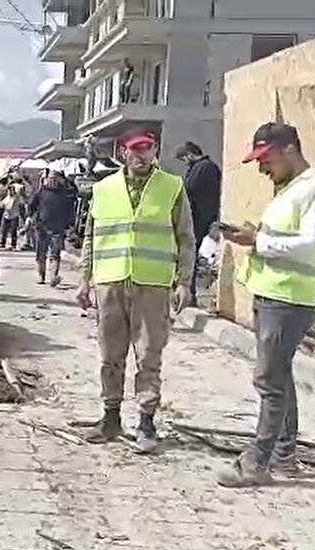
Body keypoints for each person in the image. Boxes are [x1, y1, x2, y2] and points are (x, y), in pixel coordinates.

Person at [215, 122, 315, 488]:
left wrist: (260, 241)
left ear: (288, 150)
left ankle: (258, 462)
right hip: (273, 294)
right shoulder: (290, 189)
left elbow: (313, 243)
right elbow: (287, 237)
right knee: (279, 375)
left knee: (268, 380)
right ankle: (284, 456)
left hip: (290, 298)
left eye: (265, 159)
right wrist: (257, 235)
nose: (261, 168)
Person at [75, 129, 195, 451]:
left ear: (156, 150)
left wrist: (183, 281)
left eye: (149, 149)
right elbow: (91, 236)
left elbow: (185, 237)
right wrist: (85, 278)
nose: (143, 156)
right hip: (110, 282)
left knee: (149, 354)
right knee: (110, 354)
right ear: (123, 152)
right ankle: (110, 417)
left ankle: (146, 423)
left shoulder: (171, 187)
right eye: (136, 150)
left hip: (152, 285)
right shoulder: (103, 190)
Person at [175, 141, 223, 305]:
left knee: (190, 254)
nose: (185, 162)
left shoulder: (204, 168)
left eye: (184, 159)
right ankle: (188, 292)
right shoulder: (203, 168)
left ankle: (189, 293)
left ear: (189, 154)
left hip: (199, 218)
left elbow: (190, 191)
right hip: (199, 217)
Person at [27, 170, 77, 286]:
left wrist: (69, 225)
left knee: (55, 253)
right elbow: (31, 206)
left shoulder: (64, 193)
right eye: (50, 178)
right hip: (41, 227)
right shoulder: (40, 192)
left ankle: (54, 276)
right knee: (41, 253)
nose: (52, 180)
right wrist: (31, 217)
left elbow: (70, 209)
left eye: (55, 178)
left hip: (57, 228)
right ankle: (41, 275)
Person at [0, 183, 24, 250]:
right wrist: (0, 205)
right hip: (6, 215)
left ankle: (13, 244)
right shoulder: (7, 197)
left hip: (14, 216)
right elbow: (2, 204)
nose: (10, 192)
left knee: (13, 230)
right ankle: (2, 242)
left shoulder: (15, 198)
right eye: (9, 190)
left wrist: (2, 206)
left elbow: (10, 206)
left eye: (12, 190)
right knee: (3, 229)